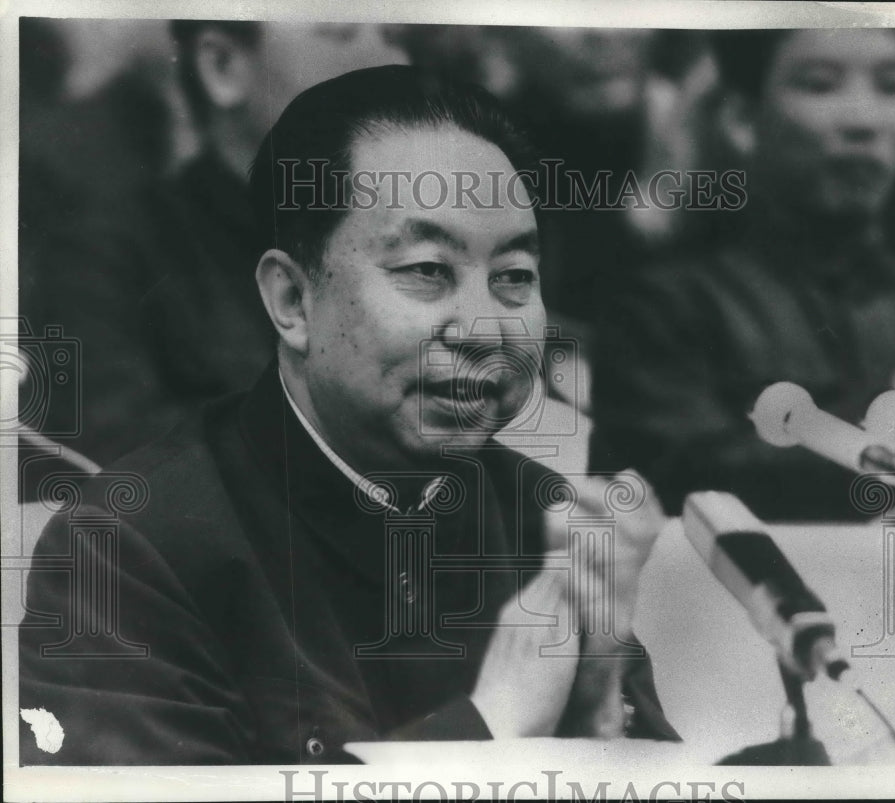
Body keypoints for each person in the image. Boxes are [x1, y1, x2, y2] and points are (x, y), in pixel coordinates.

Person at [19, 66, 676, 766]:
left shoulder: (540, 517)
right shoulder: (128, 545)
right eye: (427, 269)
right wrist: (489, 725)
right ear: (293, 301)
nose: (488, 327)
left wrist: (599, 700)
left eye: (514, 277)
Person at [589, 28, 895, 521]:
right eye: (820, 85)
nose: (864, 121)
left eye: (892, 86)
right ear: (743, 119)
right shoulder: (663, 306)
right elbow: (697, 489)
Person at [24, 21, 407, 466]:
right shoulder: (103, 254)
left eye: (393, 37)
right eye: (340, 35)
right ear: (222, 66)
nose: (395, 62)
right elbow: (113, 456)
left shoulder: (408, 246)